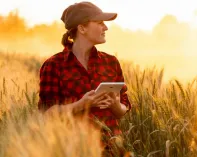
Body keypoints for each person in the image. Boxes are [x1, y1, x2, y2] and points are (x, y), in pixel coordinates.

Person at [38, 1, 131, 155]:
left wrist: (115, 105)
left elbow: (124, 108)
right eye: (100, 23)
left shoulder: (111, 62)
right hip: (73, 150)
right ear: (82, 28)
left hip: (112, 150)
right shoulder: (54, 65)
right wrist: (81, 104)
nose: (106, 27)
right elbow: (47, 114)